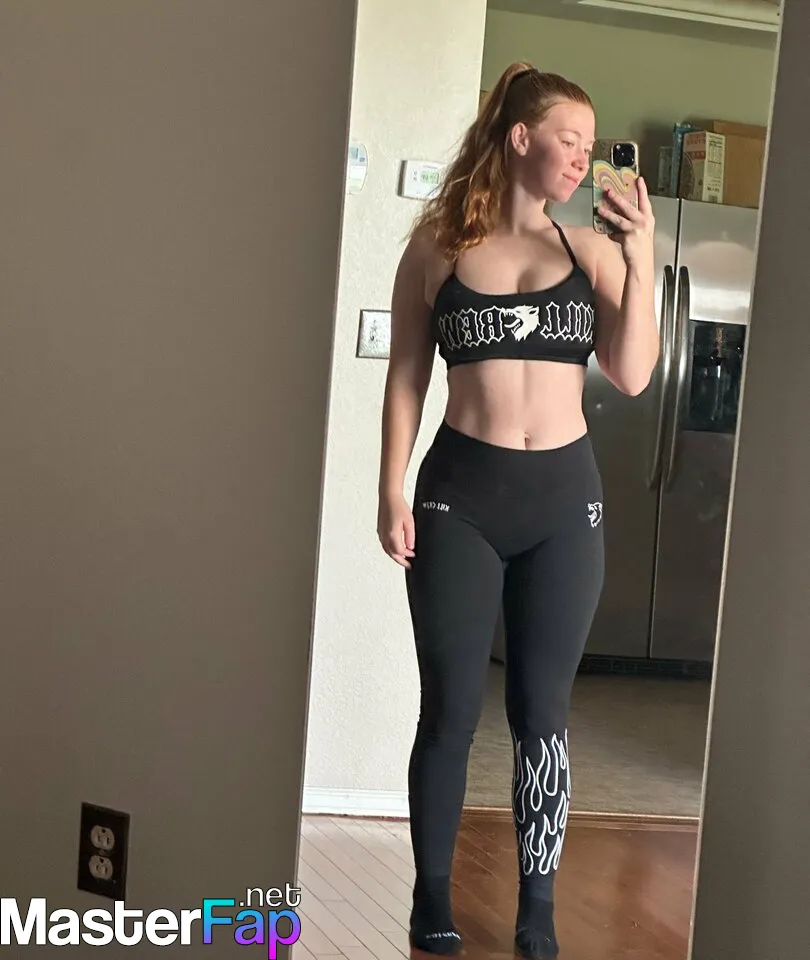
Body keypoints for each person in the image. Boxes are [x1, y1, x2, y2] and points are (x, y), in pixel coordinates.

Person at [376, 61, 657, 959]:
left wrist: (641, 259)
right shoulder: (437, 248)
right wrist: (389, 487)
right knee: (450, 710)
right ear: (520, 137)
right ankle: (431, 899)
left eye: (589, 144)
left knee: (543, 713)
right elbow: (406, 376)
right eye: (569, 140)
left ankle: (538, 909)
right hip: (458, 499)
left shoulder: (592, 252)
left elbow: (633, 373)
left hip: (563, 506)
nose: (582, 157)